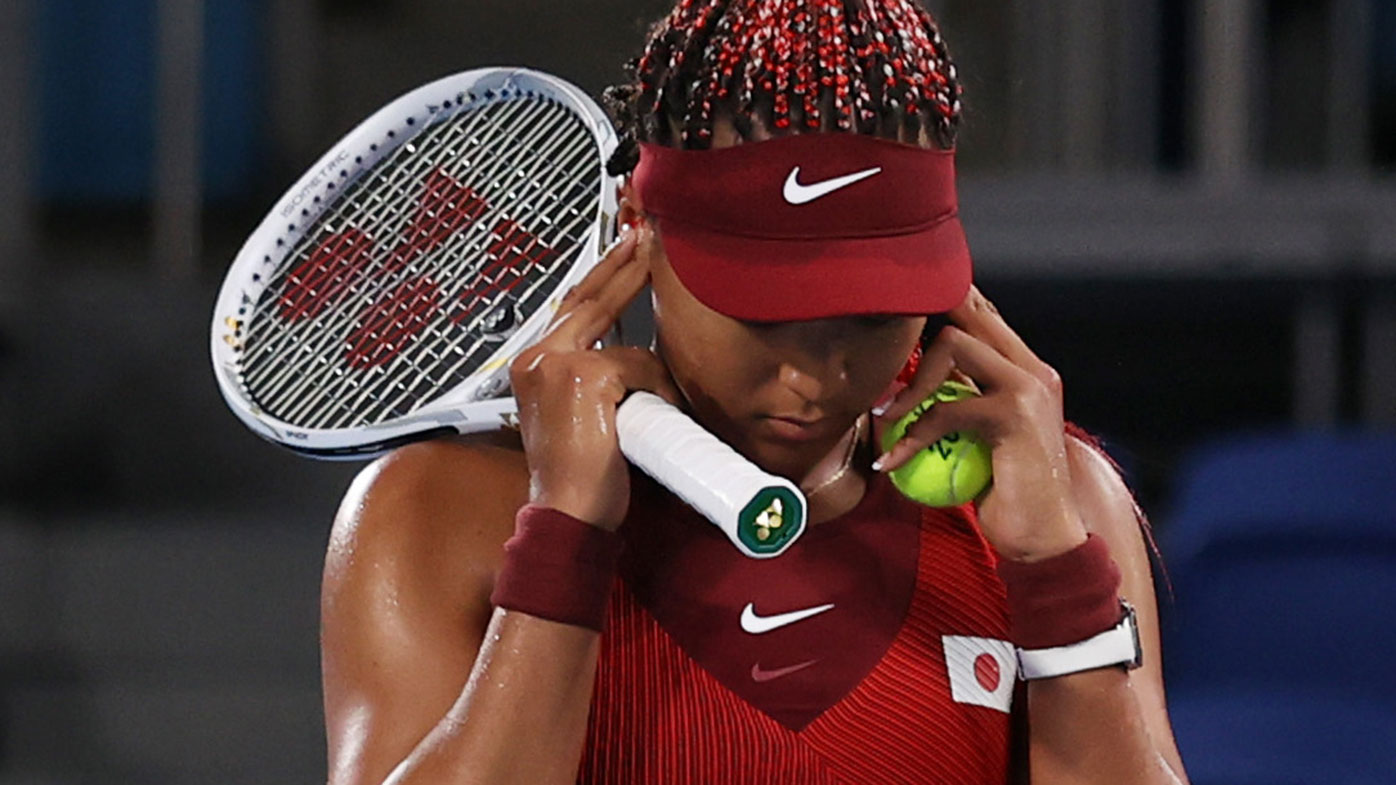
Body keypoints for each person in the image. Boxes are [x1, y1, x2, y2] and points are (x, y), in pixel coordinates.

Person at [319, 1, 1190, 783]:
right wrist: (566, 536)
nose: (812, 376)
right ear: (638, 229)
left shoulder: (1063, 503)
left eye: (871, 316)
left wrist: (1052, 572)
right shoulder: (436, 509)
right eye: (762, 316)